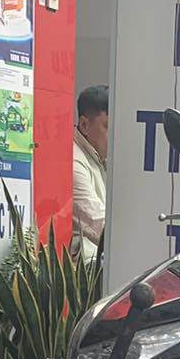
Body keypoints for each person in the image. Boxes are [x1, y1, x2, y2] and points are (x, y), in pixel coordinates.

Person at [72, 86, 109, 257]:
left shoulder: (100, 156)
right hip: (86, 267)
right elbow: (100, 225)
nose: (117, 136)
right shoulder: (73, 160)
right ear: (84, 125)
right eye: (108, 127)